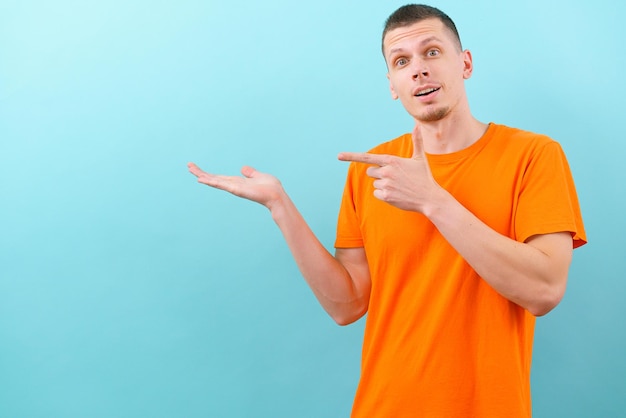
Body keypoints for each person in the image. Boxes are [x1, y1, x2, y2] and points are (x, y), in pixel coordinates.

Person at [188, 4, 586, 417]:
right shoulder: (374, 170)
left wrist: (432, 200)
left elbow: (544, 290)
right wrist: (280, 207)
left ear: (464, 63)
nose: (418, 69)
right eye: (402, 61)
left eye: (432, 52)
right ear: (393, 85)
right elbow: (347, 305)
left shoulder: (534, 155)